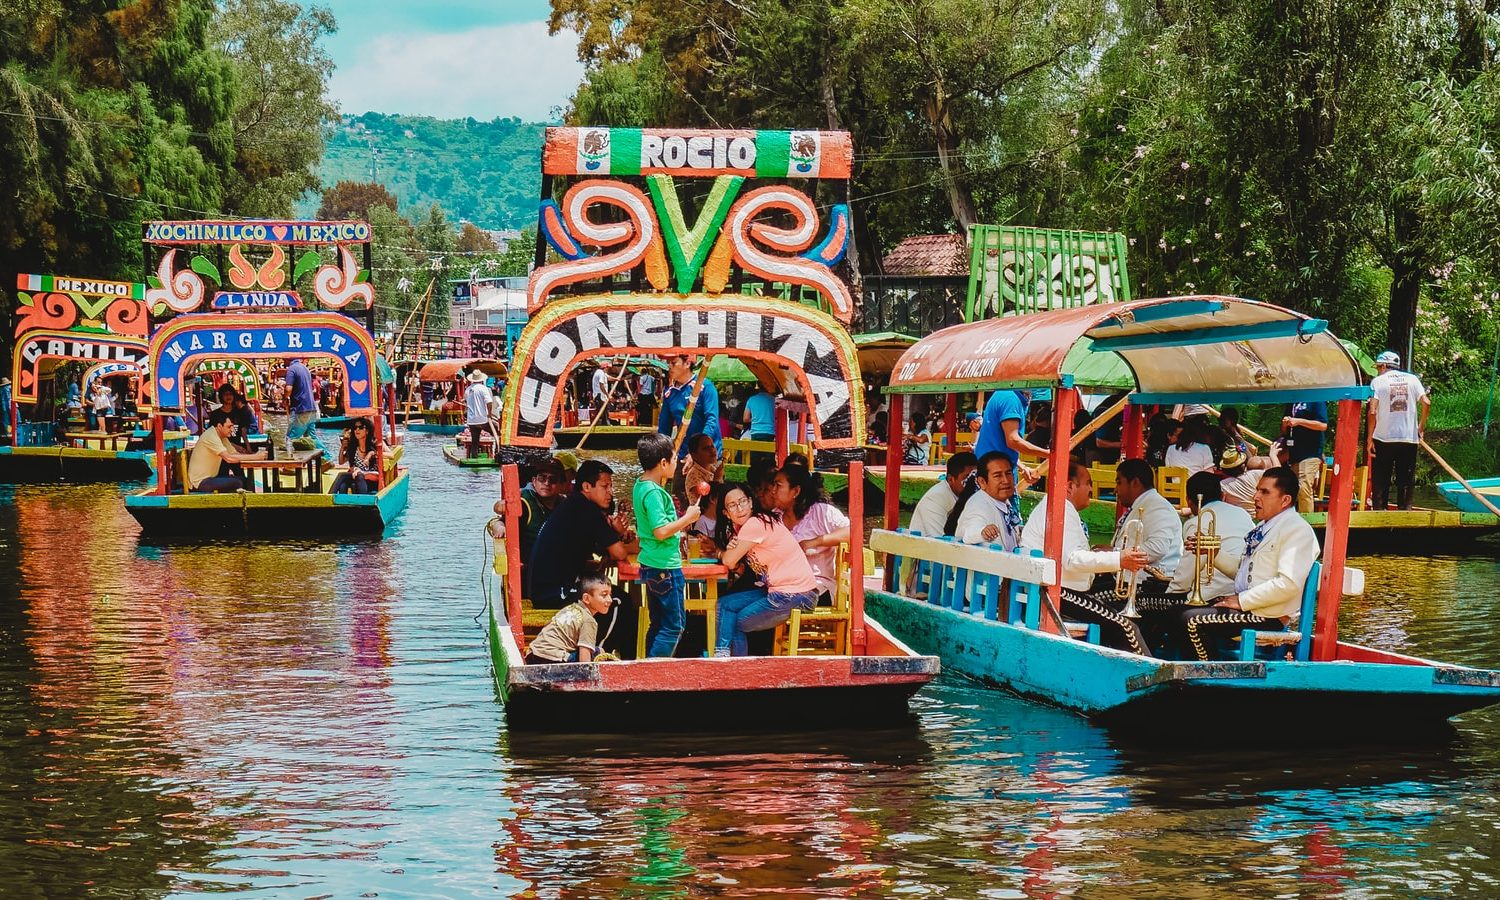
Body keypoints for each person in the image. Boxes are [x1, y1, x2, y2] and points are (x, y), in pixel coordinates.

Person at [1178, 467, 1320, 661]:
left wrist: (1241, 600)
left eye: (1265, 492)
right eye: (1257, 490)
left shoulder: (1297, 530)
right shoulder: (1266, 527)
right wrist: (1213, 553)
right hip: (1251, 610)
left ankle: (1208, 678)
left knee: (1191, 621)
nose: (1255, 497)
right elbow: (1243, 570)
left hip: (1268, 617)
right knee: (1178, 610)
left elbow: (1288, 584)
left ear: (1285, 500)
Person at [1020, 461, 1152, 655]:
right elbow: (1073, 560)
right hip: (1058, 593)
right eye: (1088, 483)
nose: (1091, 488)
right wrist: (1119, 560)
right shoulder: (1061, 508)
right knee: (1125, 626)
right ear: (1070, 486)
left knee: (1119, 615)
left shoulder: (1057, 506)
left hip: (1053, 589)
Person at [712, 483, 821, 657]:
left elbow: (729, 560)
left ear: (751, 502)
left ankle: (732, 670)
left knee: (735, 622)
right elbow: (732, 565)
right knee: (724, 604)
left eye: (742, 501)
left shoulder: (756, 523)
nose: (740, 508)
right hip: (779, 591)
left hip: (797, 594)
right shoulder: (742, 529)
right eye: (732, 505)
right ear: (726, 513)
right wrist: (731, 548)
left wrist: (722, 552)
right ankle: (722, 656)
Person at [528, 459, 638, 608]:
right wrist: (646, 546)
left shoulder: (575, 504)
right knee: (619, 601)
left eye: (611, 487)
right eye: (605, 486)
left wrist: (617, 534)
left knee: (616, 596)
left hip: (544, 590)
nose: (610, 493)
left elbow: (607, 550)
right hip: (552, 593)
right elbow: (619, 553)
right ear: (586, 486)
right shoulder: (587, 510)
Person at [633, 433, 701, 658]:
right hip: (665, 566)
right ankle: (654, 670)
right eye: (674, 459)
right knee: (674, 626)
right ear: (663, 463)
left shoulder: (641, 485)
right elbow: (660, 531)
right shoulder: (653, 493)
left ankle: (647, 668)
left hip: (653, 563)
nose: (677, 462)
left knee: (658, 623)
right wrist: (688, 519)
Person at [773, 461, 851, 601]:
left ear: (796, 491)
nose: (773, 490)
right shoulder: (775, 516)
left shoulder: (820, 512)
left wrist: (817, 541)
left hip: (817, 589)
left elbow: (852, 533)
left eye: (778, 486)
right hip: (782, 586)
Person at [1110, 459, 1184, 598]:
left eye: (1119, 482)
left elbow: (1158, 547)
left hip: (1147, 587)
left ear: (1135, 483)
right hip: (1131, 580)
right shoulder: (1146, 503)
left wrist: (1115, 554)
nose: (1115, 489)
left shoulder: (1158, 506)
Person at [1367, 350, 1430, 511]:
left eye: (1378, 367)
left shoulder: (1378, 382)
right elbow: (1426, 403)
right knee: (1406, 482)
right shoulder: (1413, 379)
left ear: (1382, 366)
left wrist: (1369, 438)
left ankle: (1379, 515)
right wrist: (1420, 428)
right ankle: (1405, 515)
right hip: (1408, 438)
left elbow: (1372, 411)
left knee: (1381, 482)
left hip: (1383, 439)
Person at [525, 572, 616, 665]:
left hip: (533, 654)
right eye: (604, 595)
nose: (610, 600)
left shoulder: (569, 608)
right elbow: (584, 662)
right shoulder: (589, 621)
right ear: (587, 599)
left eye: (610, 595)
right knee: (598, 652)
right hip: (553, 657)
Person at [973, 389, 1049, 480]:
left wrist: (1022, 467)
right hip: (996, 476)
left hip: (991, 472)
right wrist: (1049, 454)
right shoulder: (1011, 399)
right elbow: (1013, 441)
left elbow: (1000, 445)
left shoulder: (1004, 394)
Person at [955, 451, 1023, 550]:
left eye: (1008, 473)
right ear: (982, 482)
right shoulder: (978, 504)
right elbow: (969, 532)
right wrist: (983, 531)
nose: (1006, 480)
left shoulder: (1005, 503)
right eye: (997, 476)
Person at [658, 354, 722, 460]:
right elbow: (664, 428)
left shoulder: (705, 387)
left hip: (708, 455)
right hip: (682, 454)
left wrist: (698, 450)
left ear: (687, 363)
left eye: (673, 363)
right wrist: (663, 454)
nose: (669, 366)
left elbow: (712, 420)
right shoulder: (669, 393)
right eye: (668, 363)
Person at [188, 409, 266, 493]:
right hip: (199, 483)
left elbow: (234, 454)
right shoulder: (211, 436)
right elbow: (228, 458)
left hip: (209, 479)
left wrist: (254, 455)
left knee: (244, 480)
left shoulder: (222, 437)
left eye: (232, 426)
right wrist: (256, 457)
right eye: (229, 427)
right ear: (219, 426)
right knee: (238, 483)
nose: (232, 429)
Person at [910, 451, 979, 536]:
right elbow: (941, 540)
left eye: (975, 477)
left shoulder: (976, 496)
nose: (973, 482)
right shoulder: (934, 499)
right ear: (951, 479)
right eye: (967, 477)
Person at [517, 456, 569, 564]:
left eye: (553, 479)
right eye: (542, 478)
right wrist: (498, 525)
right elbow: (502, 522)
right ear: (534, 481)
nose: (546, 483)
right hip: (530, 568)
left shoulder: (566, 505)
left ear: (562, 485)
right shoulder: (524, 502)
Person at [1280, 399, 1327, 513]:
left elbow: (1323, 425)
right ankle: (1291, 520)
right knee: (1291, 490)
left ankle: (1308, 522)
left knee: (1303, 487)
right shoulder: (1291, 401)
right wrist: (1285, 424)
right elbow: (1283, 431)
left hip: (1311, 452)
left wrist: (1299, 421)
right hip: (1293, 454)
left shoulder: (1316, 399)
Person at [330, 417, 380, 494]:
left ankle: (330, 496)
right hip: (356, 477)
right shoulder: (353, 448)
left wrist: (370, 454)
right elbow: (341, 462)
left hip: (372, 477)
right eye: (355, 428)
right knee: (343, 485)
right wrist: (343, 447)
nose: (357, 430)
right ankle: (335, 500)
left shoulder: (375, 444)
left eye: (360, 427)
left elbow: (390, 455)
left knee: (355, 475)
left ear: (367, 431)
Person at [284, 357, 322, 453]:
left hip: (300, 408)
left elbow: (288, 389)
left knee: (290, 438)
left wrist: (285, 398)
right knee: (311, 438)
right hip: (311, 407)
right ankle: (327, 458)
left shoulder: (291, 369)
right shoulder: (305, 368)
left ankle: (290, 465)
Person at [680, 432, 723, 504]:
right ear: (694, 455)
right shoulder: (693, 475)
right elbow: (707, 499)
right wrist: (716, 479)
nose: (712, 450)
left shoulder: (713, 469)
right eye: (706, 448)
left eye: (712, 446)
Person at [1217, 447, 1263, 514]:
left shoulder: (1222, 485)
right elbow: (1277, 474)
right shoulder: (1255, 474)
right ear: (1243, 465)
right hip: (1258, 515)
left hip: (1239, 517)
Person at [463, 369, 494, 459]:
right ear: (481, 379)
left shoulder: (467, 390)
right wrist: (490, 414)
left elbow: (466, 403)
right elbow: (489, 402)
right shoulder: (483, 388)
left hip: (472, 420)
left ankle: (474, 457)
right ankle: (497, 452)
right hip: (482, 419)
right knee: (498, 431)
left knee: (475, 441)